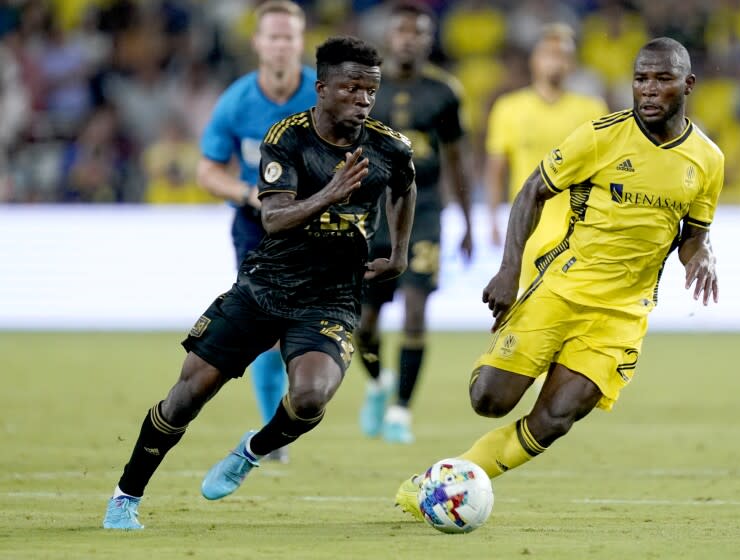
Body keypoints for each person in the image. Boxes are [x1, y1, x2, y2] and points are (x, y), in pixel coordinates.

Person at [394, 37, 724, 518]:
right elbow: (532, 191)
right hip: (559, 290)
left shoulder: (707, 160)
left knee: (554, 420)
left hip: (621, 315)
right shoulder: (599, 136)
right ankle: (513, 357)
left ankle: (437, 483)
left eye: (663, 79)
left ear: (688, 84)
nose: (649, 90)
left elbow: (694, 232)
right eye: (641, 79)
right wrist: (510, 270)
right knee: (488, 400)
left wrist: (703, 254)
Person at [103, 36, 416, 530]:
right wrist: (331, 193)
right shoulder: (287, 138)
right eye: (352, 88)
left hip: (331, 297)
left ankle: (252, 450)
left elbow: (405, 183)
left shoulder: (388, 145)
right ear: (323, 88)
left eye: (370, 91)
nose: (363, 100)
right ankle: (126, 495)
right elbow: (273, 219)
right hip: (265, 286)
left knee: (311, 398)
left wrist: (398, 253)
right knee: (187, 396)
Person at [196, 0, 316, 462]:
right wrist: (250, 195)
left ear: (299, 42)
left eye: (289, 37)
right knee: (266, 329)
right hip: (255, 226)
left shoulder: (321, 96)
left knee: (305, 328)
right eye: (274, 36)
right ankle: (275, 436)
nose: (282, 45)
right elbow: (207, 171)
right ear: (258, 43)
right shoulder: (237, 101)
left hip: (314, 223)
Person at [357, 0, 473, 445]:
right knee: (364, 323)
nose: (409, 39)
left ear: (429, 39)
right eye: (402, 31)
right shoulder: (368, 89)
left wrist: (465, 219)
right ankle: (376, 383)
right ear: (390, 37)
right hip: (372, 214)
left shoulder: (444, 91)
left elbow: (458, 158)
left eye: (418, 32)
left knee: (415, 310)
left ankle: (402, 411)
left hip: (423, 213)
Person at [484, 23, 607, 289]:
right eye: (550, 54)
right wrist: (492, 218)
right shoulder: (509, 108)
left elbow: (604, 172)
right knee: (525, 311)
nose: (556, 62)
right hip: (528, 227)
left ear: (573, 64)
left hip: (577, 230)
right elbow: (496, 169)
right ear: (534, 61)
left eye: (563, 56)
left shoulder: (592, 109)